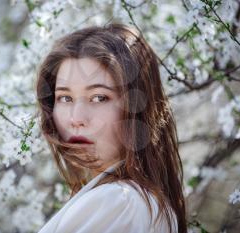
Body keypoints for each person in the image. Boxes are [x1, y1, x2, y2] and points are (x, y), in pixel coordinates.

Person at [35, 22, 187, 233]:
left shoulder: (119, 202)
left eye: (99, 97)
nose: (76, 118)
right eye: (65, 97)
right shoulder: (141, 202)